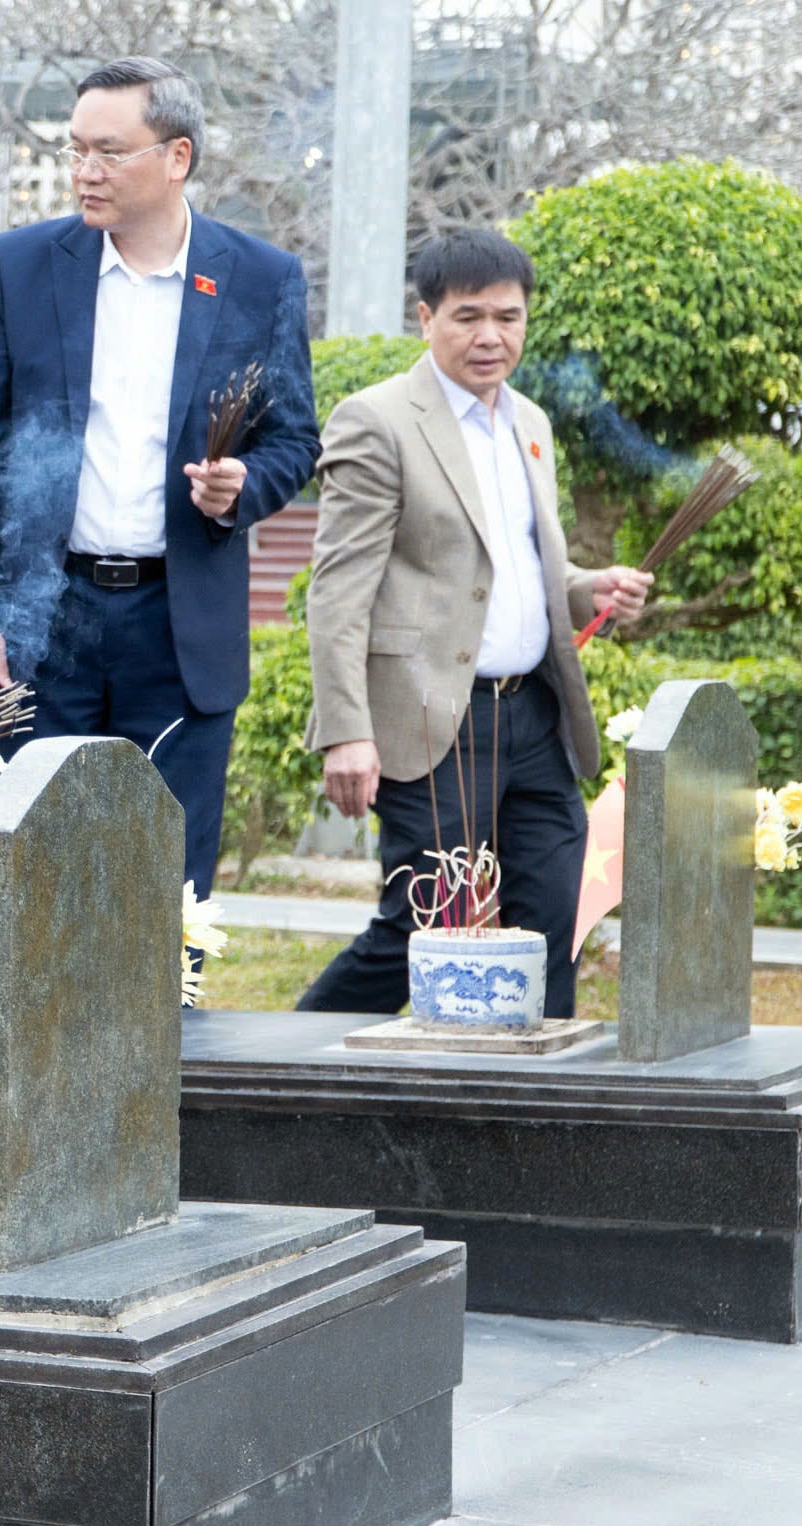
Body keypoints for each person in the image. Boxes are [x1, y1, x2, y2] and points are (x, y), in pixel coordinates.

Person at [0, 56, 321, 899]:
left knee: (166, 884)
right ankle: (33, 1038)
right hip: (43, 622)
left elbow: (295, 439)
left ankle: (167, 1033)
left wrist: (242, 486)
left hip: (178, 627)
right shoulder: (20, 266)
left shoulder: (261, 279)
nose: (84, 171)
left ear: (176, 157)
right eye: (75, 150)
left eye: (108, 151)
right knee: (40, 875)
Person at [297, 228, 651, 1019]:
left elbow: (515, 565)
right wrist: (346, 731)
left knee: (555, 921)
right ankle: (284, 1068)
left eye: (508, 317)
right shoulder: (378, 420)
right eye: (467, 317)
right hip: (431, 723)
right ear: (426, 318)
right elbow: (338, 589)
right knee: (423, 926)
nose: (490, 336)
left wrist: (590, 588)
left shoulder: (530, 422)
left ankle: (530, 1097)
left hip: (535, 717)